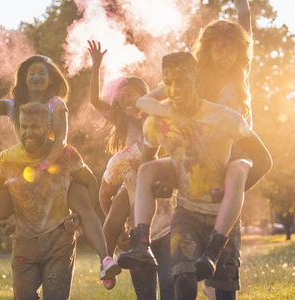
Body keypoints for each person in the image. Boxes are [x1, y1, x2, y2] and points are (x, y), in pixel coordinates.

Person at [118, 52, 272, 300]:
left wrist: (232, 191)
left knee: (224, 293)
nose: (175, 88)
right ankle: (140, 244)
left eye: (181, 81)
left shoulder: (226, 117)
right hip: (187, 214)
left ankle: (214, 247)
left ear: (197, 79)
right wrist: (160, 185)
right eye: (169, 82)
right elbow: (148, 162)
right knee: (185, 281)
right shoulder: (157, 122)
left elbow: (264, 160)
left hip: (222, 215)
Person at [0, 55, 119, 292]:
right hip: (22, 173)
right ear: (23, 78)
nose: (34, 75)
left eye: (41, 72)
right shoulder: (12, 105)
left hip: (54, 169)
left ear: (51, 78)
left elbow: (61, 139)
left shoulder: (55, 103)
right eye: (30, 72)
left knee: (81, 196)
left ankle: (105, 259)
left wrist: (44, 166)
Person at [131, 1, 253, 297]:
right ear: (207, 51)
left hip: (231, 161)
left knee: (218, 278)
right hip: (192, 159)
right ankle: (139, 243)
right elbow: (145, 102)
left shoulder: (243, 75)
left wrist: (242, 5)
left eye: (230, 49)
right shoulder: (197, 78)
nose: (224, 56)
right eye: (217, 49)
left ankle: (213, 269)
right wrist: (173, 114)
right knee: (148, 171)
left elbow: (246, 25)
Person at [88, 40, 175, 298]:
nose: (127, 99)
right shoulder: (121, 120)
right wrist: (96, 67)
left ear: (146, 95)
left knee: (171, 292)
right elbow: (94, 100)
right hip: (133, 195)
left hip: (165, 217)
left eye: (133, 94)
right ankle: (107, 259)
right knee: (144, 294)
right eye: (122, 96)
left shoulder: (158, 118)